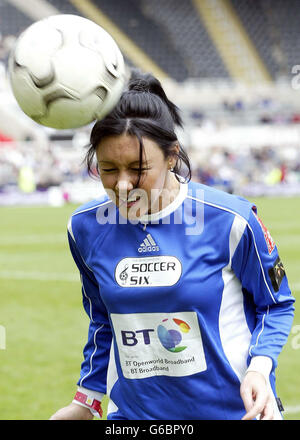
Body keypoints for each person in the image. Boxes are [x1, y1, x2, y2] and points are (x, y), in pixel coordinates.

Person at [50, 71, 295, 421]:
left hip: (234, 413)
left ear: (172, 156)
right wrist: (86, 400)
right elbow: (103, 320)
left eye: (138, 169)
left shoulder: (230, 220)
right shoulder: (84, 228)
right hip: (132, 418)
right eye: (107, 169)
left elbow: (277, 304)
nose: (122, 185)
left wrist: (259, 367)